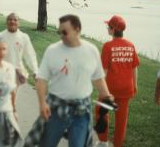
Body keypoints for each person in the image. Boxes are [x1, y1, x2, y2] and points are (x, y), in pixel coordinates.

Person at [34, 14, 112, 147]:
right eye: (59, 32)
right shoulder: (52, 51)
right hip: (56, 108)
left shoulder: (91, 51)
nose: (61, 35)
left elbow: (98, 77)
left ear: (77, 29)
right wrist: (42, 103)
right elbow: (41, 79)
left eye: (65, 32)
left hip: (81, 110)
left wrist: (107, 96)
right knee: (46, 144)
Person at [95, 15, 140, 147]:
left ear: (113, 29)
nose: (107, 28)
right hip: (126, 89)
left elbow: (104, 70)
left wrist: (101, 88)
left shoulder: (108, 46)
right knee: (121, 120)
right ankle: (118, 144)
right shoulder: (130, 45)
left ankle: (103, 142)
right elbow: (134, 68)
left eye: (108, 26)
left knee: (100, 112)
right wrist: (135, 85)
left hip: (110, 90)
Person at [0, 13, 38, 87]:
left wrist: (35, 70)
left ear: (19, 23)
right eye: (10, 19)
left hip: (17, 73)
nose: (12, 22)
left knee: (12, 96)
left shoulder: (24, 37)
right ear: (6, 22)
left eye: (15, 20)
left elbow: (30, 55)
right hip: (1, 71)